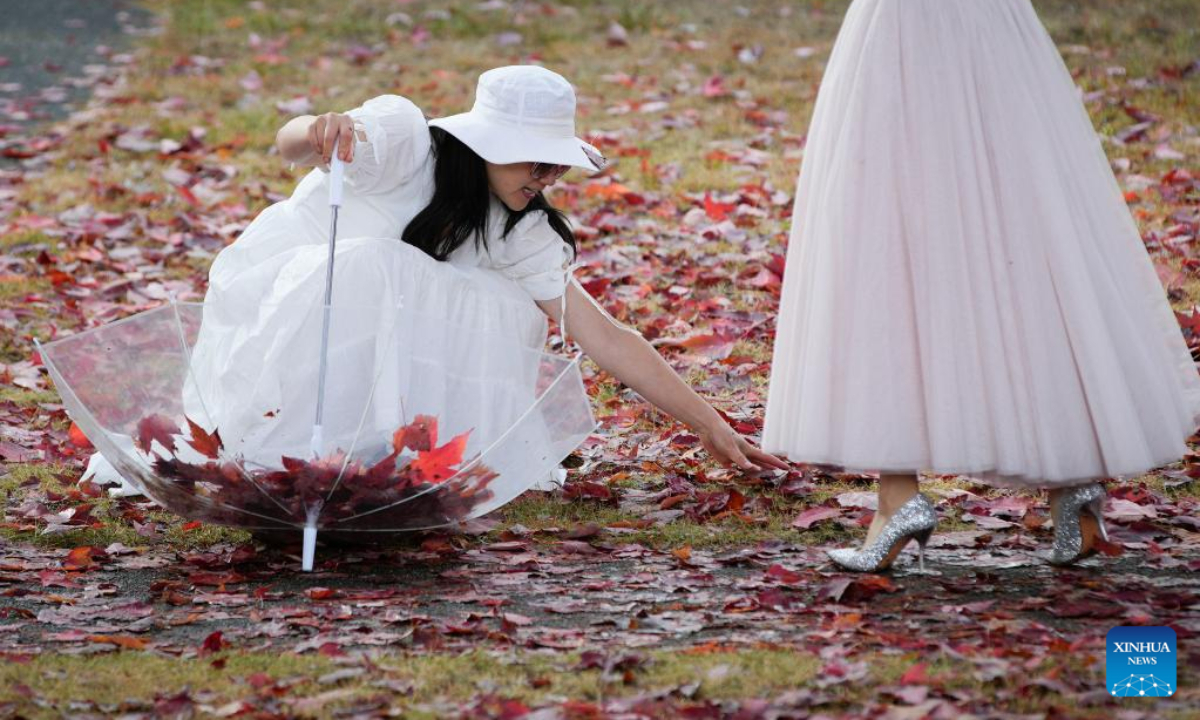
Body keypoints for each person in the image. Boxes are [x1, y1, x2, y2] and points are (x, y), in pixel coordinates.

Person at [84, 65, 786, 501]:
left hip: (375, 332)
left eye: (556, 167)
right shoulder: (403, 144)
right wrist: (317, 129)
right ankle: (297, 447)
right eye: (533, 163)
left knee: (500, 303)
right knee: (376, 263)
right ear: (487, 146)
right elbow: (288, 143)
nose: (547, 180)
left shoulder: (519, 228)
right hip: (287, 302)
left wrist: (711, 426)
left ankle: (377, 453)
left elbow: (605, 334)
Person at [763, 0, 1200, 571]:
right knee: (1022, 226)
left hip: (905, 30)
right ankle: (1073, 485)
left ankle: (897, 499)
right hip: (994, 30)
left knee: (890, 229)